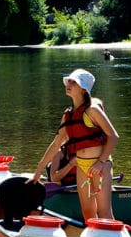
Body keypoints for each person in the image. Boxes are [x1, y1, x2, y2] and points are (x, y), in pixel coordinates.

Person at [30, 68, 119, 221]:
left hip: (100, 166)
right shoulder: (68, 115)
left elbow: (113, 136)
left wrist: (101, 162)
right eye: (69, 81)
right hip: (82, 168)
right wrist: (38, 170)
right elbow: (56, 143)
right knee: (88, 213)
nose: (68, 84)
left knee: (104, 213)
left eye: (74, 82)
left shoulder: (92, 110)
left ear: (84, 89)